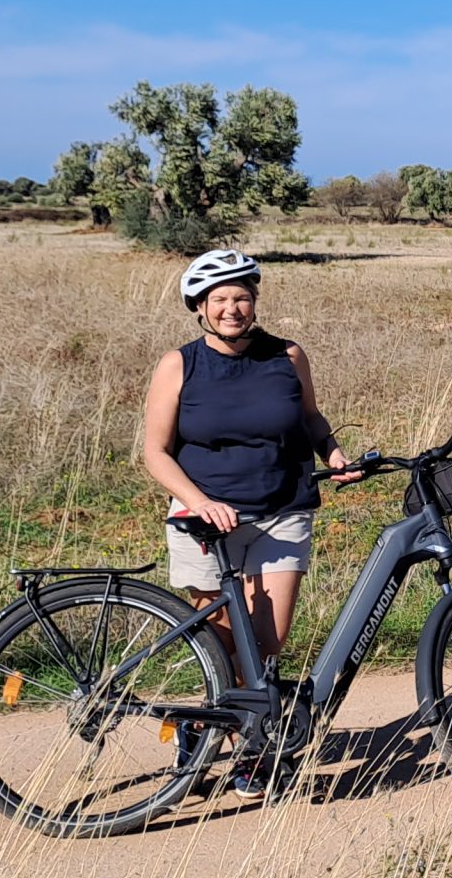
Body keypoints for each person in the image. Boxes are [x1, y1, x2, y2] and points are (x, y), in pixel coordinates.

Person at [141, 250, 349, 788]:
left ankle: (243, 745)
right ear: (200, 307)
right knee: (220, 646)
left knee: (265, 645)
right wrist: (199, 501)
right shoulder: (179, 365)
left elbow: (309, 417)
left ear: (254, 302)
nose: (232, 308)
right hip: (207, 522)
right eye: (220, 300)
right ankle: (215, 732)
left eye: (242, 298)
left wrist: (331, 451)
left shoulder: (287, 355)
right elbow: (155, 452)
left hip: (282, 513)